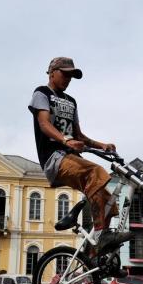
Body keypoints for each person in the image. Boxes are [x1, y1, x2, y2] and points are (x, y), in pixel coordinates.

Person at [28, 57, 134, 257]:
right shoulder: (42, 93)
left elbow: (79, 136)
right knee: (95, 172)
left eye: (71, 76)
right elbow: (44, 124)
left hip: (72, 158)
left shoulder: (71, 101)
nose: (68, 79)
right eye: (65, 74)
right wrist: (65, 141)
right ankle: (102, 236)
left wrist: (100, 144)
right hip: (55, 158)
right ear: (52, 72)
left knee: (106, 198)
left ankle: (95, 255)